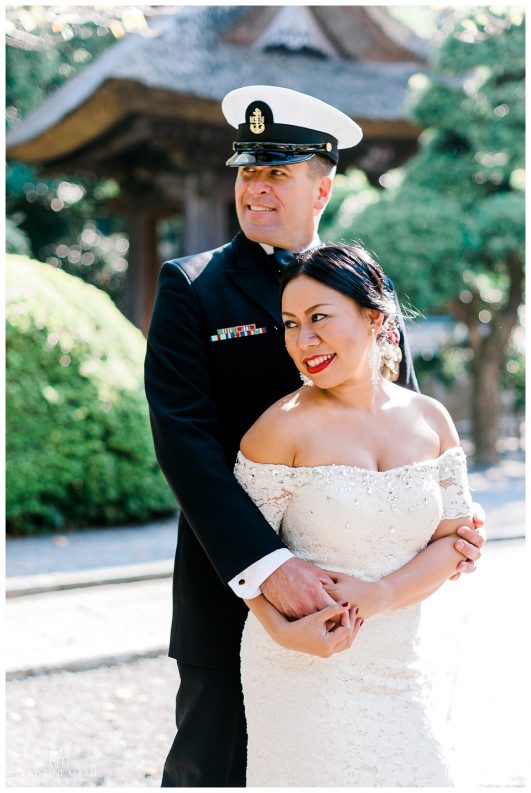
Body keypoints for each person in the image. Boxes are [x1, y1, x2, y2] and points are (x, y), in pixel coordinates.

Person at [144, 85, 485, 787]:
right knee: (216, 772)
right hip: (228, 586)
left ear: (321, 186)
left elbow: (403, 413)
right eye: (248, 171)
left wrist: (449, 512)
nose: (256, 188)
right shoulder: (192, 286)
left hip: (371, 598)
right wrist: (267, 568)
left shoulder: (362, 283)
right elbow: (184, 442)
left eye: (277, 172)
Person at [235, 242, 475, 786]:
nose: (303, 341)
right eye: (292, 324)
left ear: (375, 317)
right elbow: (239, 552)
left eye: (319, 318)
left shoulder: (430, 419)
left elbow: (455, 539)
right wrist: (280, 630)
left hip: (403, 663)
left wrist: (383, 593)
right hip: (303, 665)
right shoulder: (280, 428)